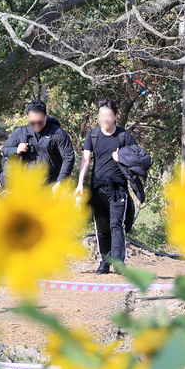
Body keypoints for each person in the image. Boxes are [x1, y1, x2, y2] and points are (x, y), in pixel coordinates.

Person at [76, 97, 150, 275]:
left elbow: (139, 157)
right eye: (102, 115)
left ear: (115, 116)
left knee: (117, 224)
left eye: (109, 115)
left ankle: (118, 262)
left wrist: (120, 158)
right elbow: (85, 160)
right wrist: (79, 184)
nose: (105, 119)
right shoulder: (93, 135)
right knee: (101, 226)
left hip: (118, 189)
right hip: (97, 187)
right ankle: (104, 262)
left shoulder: (124, 136)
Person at [1, 100, 74, 191]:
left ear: (46, 116)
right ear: (27, 116)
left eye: (40, 122)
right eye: (32, 123)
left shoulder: (57, 133)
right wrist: (16, 150)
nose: (36, 126)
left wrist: (60, 182)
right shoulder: (21, 132)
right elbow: (5, 149)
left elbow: (68, 157)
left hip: (51, 186)